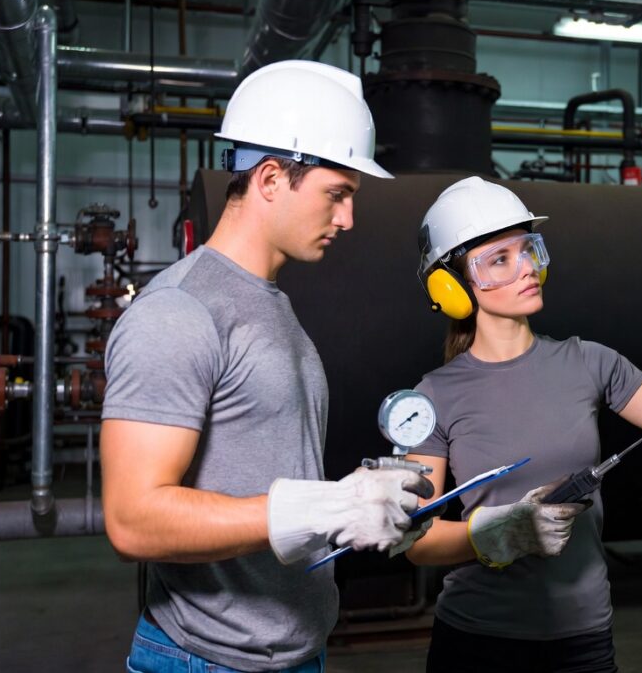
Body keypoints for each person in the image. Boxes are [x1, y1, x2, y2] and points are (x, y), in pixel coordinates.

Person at [100, 60, 433, 673]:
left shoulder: (270, 304)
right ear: (273, 178)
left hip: (294, 648)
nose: (348, 220)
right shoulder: (179, 310)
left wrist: (361, 510)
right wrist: (326, 507)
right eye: (337, 195)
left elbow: (266, 474)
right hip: (210, 659)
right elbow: (131, 519)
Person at [403, 176, 642, 672]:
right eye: (499, 260)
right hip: (477, 640)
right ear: (452, 287)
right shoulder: (431, 397)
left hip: (581, 639)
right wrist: (500, 534)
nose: (526, 268)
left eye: (528, 250)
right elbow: (416, 541)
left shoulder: (591, 362)